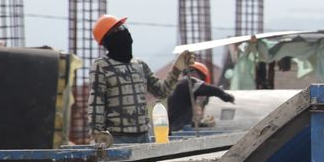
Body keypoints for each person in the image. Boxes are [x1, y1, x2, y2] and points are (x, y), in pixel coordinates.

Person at [87, 15, 193, 145]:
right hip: (117, 138)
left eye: (122, 27)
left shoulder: (139, 65)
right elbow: (96, 104)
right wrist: (96, 136)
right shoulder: (101, 67)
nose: (122, 32)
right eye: (116, 30)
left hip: (143, 137)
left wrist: (177, 69)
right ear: (107, 41)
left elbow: (161, 91)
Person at [168, 62, 236, 132]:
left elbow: (179, 115)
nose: (201, 81)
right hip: (180, 129)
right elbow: (211, 90)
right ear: (196, 73)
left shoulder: (179, 86)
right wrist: (227, 97)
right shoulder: (189, 81)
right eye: (201, 79)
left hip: (174, 128)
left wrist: (200, 124)